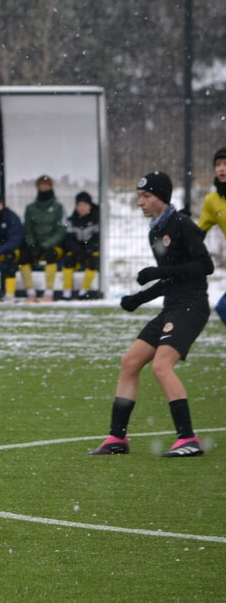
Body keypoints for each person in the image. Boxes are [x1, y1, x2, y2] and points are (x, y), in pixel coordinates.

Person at [90, 171, 214, 458]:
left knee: (161, 366)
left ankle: (188, 439)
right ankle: (117, 437)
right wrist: (139, 298)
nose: (140, 202)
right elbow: (171, 279)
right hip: (173, 306)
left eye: (146, 197)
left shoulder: (181, 224)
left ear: (162, 198)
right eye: (138, 197)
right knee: (130, 361)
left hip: (191, 306)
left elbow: (205, 266)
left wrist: (159, 272)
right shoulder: (155, 231)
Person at [20, 175, 66, 303]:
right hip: (35, 245)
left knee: (51, 256)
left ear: (51, 187)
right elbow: (27, 229)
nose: (44, 188)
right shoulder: (30, 208)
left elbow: (61, 230)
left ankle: (48, 294)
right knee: (24, 257)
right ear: (37, 187)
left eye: (47, 186)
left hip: (53, 246)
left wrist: (46, 245)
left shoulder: (59, 208)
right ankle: (31, 294)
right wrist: (32, 245)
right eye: (41, 186)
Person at [195, 147, 226, 327]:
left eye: (225, 164)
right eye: (218, 164)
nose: (221, 168)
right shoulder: (212, 201)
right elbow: (199, 233)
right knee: (223, 308)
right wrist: (181, 224)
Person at [60, 191, 101, 300]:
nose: (81, 208)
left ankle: (84, 292)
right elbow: (70, 239)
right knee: (68, 260)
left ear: (90, 206)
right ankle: (67, 292)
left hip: (91, 251)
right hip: (77, 252)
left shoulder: (97, 219)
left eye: (84, 205)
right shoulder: (72, 220)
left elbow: (97, 239)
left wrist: (88, 250)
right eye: (79, 205)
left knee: (95, 260)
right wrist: (77, 251)